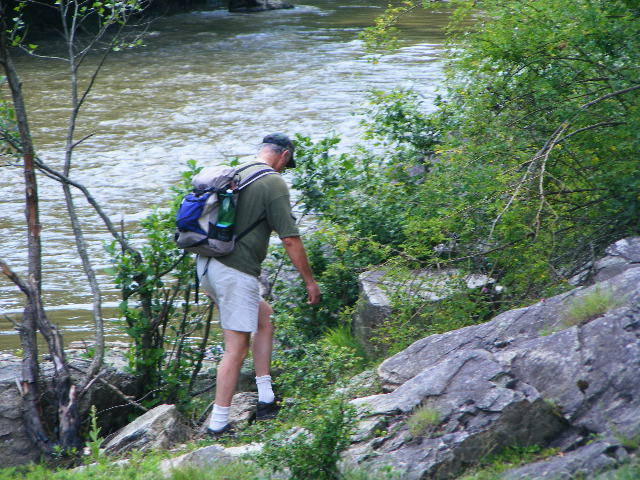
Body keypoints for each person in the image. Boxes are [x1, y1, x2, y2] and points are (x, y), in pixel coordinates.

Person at [198, 133, 321, 435]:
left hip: (207, 265)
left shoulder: (237, 172)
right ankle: (218, 425)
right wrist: (310, 281)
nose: (284, 169)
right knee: (236, 347)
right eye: (287, 163)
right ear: (284, 155)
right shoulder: (273, 182)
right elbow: (290, 239)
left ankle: (266, 398)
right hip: (234, 272)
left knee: (263, 317)